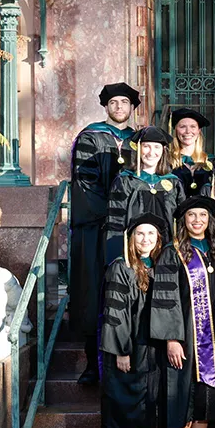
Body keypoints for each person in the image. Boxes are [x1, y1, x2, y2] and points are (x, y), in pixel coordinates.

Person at [150, 195, 215, 428]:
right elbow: (166, 297)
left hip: (213, 339)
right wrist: (171, 338)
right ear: (184, 221)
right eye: (192, 216)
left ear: (210, 221)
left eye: (203, 216)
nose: (197, 221)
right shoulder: (173, 252)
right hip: (185, 338)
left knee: (205, 398)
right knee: (184, 397)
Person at [71, 82, 138, 385]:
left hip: (135, 232)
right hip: (97, 229)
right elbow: (85, 184)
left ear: (132, 107)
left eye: (125, 102)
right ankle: (91, 363)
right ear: (106, 107)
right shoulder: (91, 137)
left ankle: (131, 355)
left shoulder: (140, 140)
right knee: (93, 291)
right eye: (114, 102)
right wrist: (114, 216)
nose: (119, 107)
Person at [100, 212, 168, 428]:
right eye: (140, 233)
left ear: (158, 238)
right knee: (127, 401)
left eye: (151, 234)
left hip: (156, 347)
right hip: (130, 346)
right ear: (131, 238)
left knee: (151, 403)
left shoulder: (162, 266)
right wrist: (121, 350)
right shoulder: (121, 267)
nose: (146, 239)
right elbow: (115, 312)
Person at [104, 126, 183, 266]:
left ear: (163, 150)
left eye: (157, 147)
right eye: (146, 146)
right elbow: (115, 223)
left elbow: (181, 220)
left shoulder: (173, 182)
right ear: (138, 149)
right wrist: (118, 257)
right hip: (133, 253)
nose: (152, 152)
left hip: (166, 252)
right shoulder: (125, 181)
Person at [168, 108, 213, 198]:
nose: (188, 131)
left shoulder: (210, 163)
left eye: (193, 126)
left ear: (199, 131)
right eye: (182, 127)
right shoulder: (167, 162)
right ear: (175, 130)